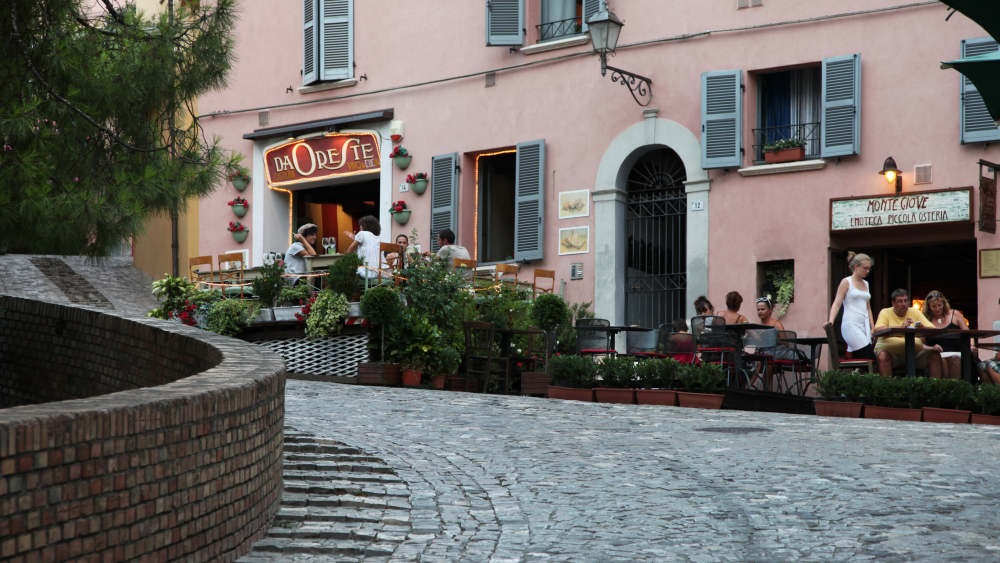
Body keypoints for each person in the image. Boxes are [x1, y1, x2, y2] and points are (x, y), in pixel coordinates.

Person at [874, 288, 943, 378]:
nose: (904, 304)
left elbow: (933, 329)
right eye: (900, 301)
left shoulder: (915, 311)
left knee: (934, 355)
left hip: (915, 353)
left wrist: (923, 328)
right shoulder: (885, 312)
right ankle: (888, 391)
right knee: (882, 356)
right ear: (893, 303)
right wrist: (900, 327)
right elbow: (877, 330)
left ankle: (935, 390)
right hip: (891, 354)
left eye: (906, 301)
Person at [825, 252, 877, 362]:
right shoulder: (846, 282)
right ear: (856, 267)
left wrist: (872, 327)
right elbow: (837, 303)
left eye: (869, 269)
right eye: (865, 268)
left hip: (864, 326)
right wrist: (831, 321)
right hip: (851, 325)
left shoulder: (866, 284)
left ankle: (855, 377)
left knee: (861, 361)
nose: (868, 271)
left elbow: (868, 308)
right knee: (870, 359)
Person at [922, 290, 969, 380]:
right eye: (933, 306)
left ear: (944, 304)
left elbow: (968, 334)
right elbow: (920, 344)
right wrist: (930, 348)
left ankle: (955, 390)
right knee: (941, 361)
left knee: (955, 360)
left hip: (957, 352)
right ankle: (944, 390)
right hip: (938, 354)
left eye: (939, 305)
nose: (937, 309)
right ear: (928, 307)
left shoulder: (955, 314)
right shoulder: (925, 319)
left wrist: (971, 346)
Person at [344, 215, 385, 280]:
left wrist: (355, 239)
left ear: (365, 225)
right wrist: (355, 239)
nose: (360, 227)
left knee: (344, 272)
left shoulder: (362, 233)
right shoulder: (377, 238)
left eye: (361, 225)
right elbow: (366, 251)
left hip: (367, 273)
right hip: (382, 273)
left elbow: (349, 251)